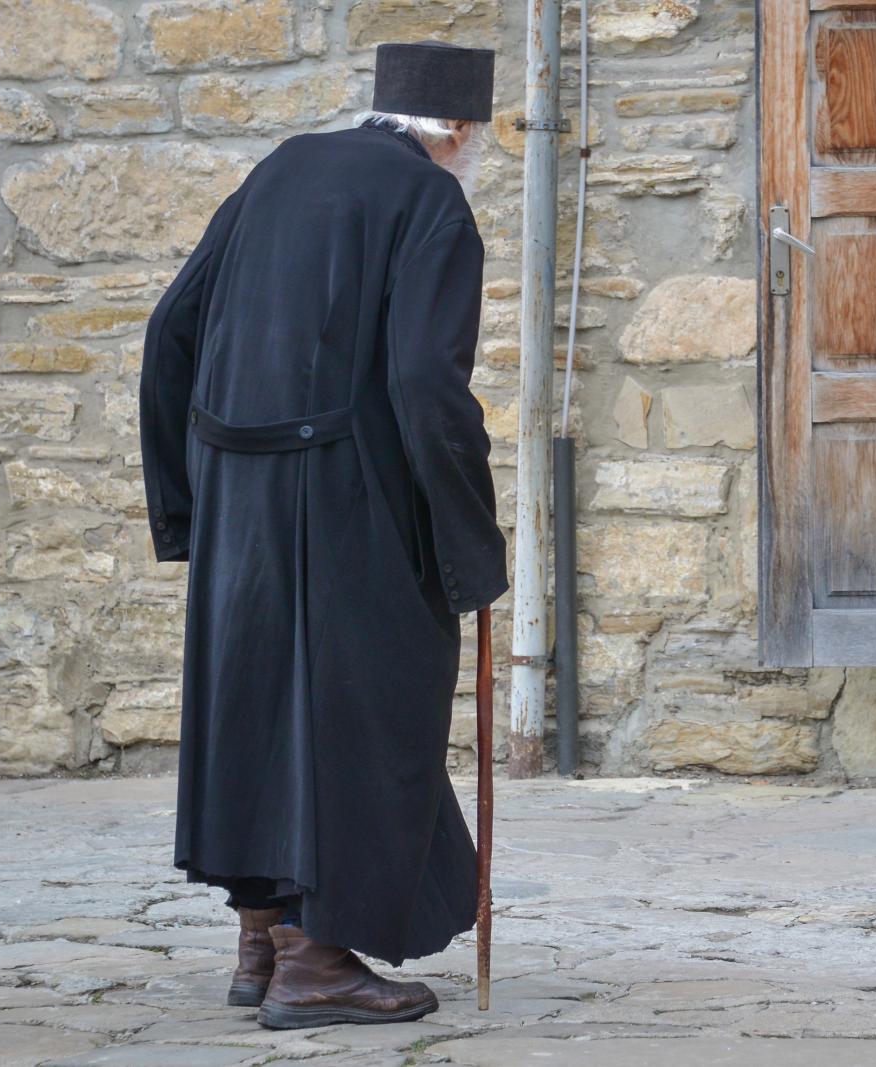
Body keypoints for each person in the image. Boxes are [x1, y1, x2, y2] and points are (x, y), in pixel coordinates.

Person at [138, 42, 508, 1029]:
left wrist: (186, 499)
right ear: (458, 128)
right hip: (347, 500)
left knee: (259, 709)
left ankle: (263, 940)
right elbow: (426, 383)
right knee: (363, 714)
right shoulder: (432, 202)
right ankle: (316, 963)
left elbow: (171, 328)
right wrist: (470, 540)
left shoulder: (283, 166)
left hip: (237, 491)